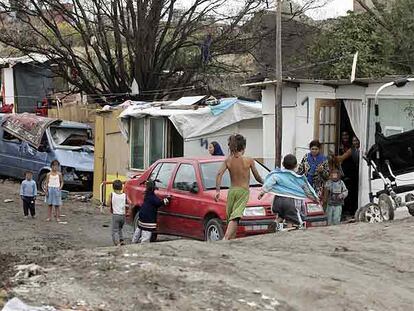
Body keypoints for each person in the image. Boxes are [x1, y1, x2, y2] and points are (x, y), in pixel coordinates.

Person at [215, 134, 264, 240]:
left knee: (231, 217)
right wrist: (265, 183)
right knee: (235, 216)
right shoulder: (249, 160)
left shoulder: (228, 160)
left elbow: (219, 174)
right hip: (243, 191)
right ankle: (226, 238)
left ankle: (231, 240)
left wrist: (217, 191)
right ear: (243, 147)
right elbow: (257, 177)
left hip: (232, 191)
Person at [258, 154, 319, 230]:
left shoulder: (278, 174)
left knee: (281, 215)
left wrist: (262, 192)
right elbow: (308, 190)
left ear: (283, 164)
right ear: (296, 165)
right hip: (291, 201)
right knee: (292, 219)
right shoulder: (298, 178)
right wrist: (315, 199)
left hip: (278, 200)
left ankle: (276, 222)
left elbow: (269, 182)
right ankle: (288, 232)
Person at [110, 179, 128, 246]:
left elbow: (109, 203)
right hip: (123, 215)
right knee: (120, 228)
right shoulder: (124, 195)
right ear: (121, 187)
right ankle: (121, 240)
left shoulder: (112, 194)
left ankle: (117, 243)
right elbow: (127, 203)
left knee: (115, 230)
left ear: (113, 187)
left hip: (115, 215)